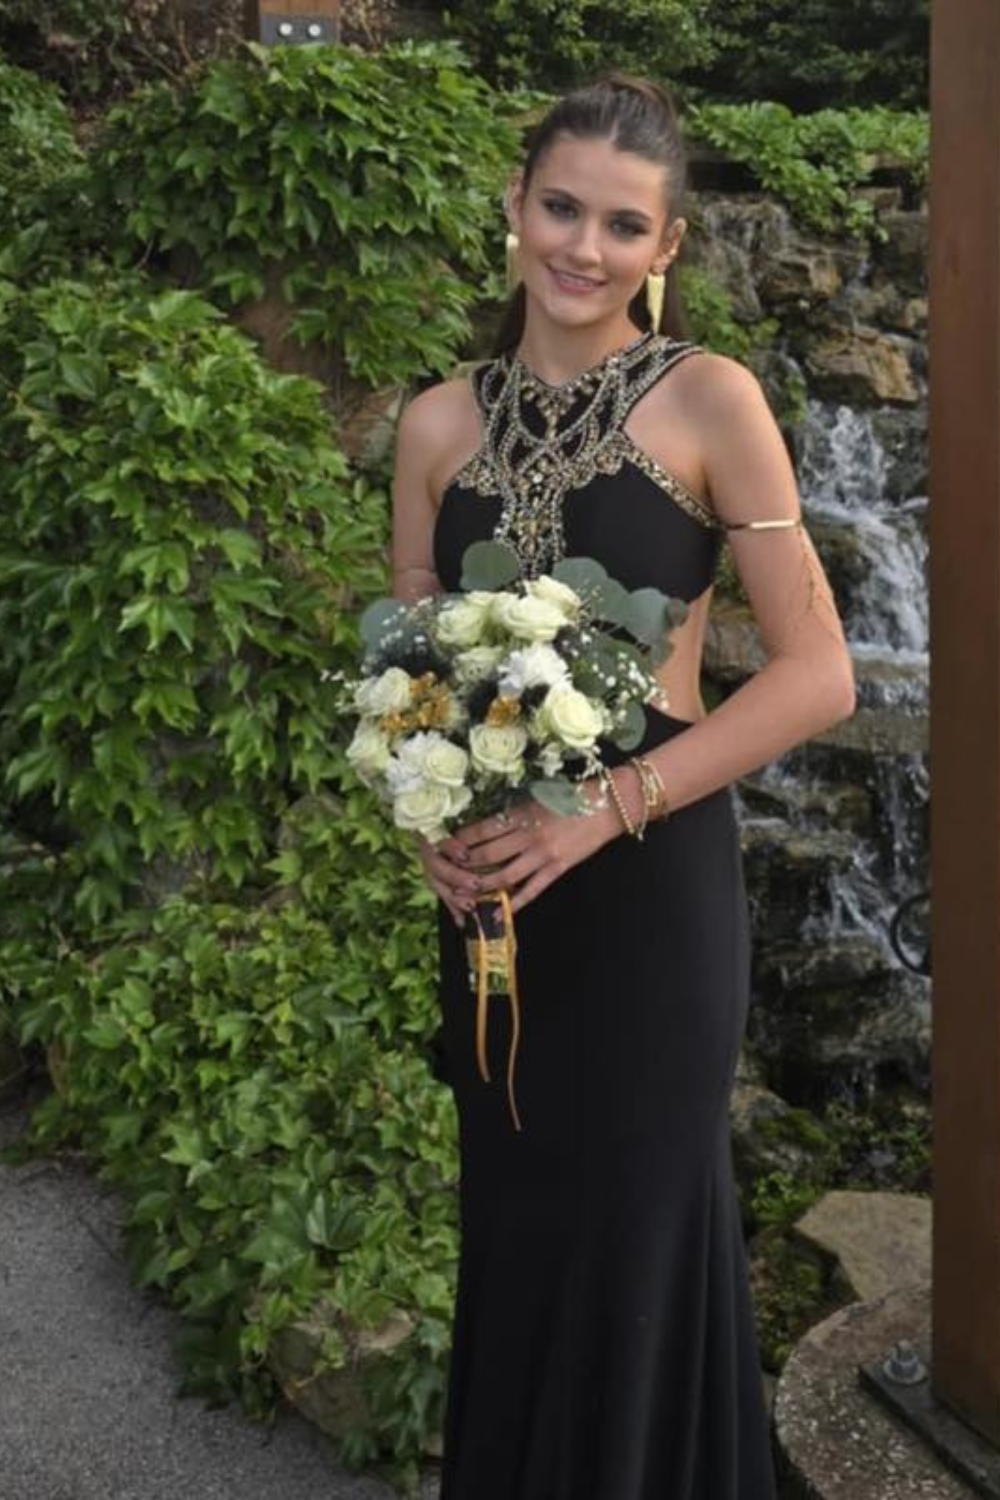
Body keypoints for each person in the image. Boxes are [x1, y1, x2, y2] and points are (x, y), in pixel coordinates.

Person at [391, 71, 855, 1500]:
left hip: (650, 888)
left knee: (643, 1236)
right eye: (561, 207)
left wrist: (600, 808)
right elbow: (412, 674)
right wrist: (426, 832)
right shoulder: (434, 427)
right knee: (519, 1225)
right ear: (516, 208)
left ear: (666, 250)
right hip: (498, 903)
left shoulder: (710, 399)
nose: (581, 247)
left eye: (622, 224)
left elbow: (818, 672)